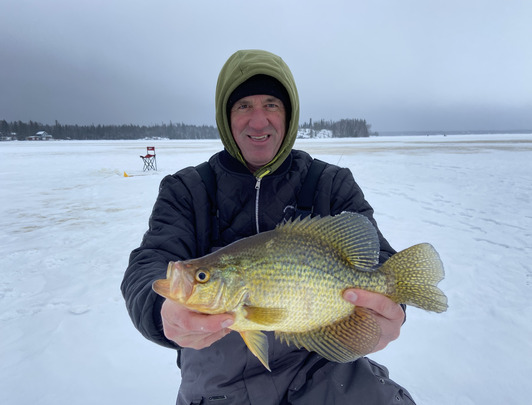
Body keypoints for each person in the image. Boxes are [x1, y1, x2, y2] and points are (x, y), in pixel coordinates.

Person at [122, 49, 415, 404]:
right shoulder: (186, 190)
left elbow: (376, 257)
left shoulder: (331, 184)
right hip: (218, 385)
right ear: (224, 116)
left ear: (289, 114)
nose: (258, 122)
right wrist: (160, 309)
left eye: (272, 104)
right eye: (243, 105)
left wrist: (390, 306)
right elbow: (150, 262)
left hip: (323, 369)